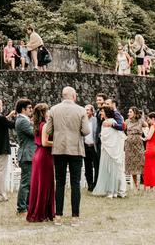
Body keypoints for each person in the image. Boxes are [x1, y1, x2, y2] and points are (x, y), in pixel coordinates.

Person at [44, 86, 90, 227]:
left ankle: (58, 216)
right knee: (75, 183)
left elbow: (49, 130)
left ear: (63, 95)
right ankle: (75, 217)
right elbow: (86, 131)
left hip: (59, 148)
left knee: (60, 182)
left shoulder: (54, 109)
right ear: (74, 96)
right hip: (75, 149)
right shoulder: (81, 110)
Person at [26, 103, 54, 222]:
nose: (49, 112)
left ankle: (38, 211)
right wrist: (58, 142)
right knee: (44, 183)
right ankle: (42, 212)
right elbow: (45, 142)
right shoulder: (45, 125)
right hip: (44, 155)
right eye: (48, 110)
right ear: (44, 113)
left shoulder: (37, 125)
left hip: (38, 154)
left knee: (38, 183)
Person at [91, 106, 126, 197]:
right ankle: (116, 191)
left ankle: (110, 191)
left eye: (102, 111)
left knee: (108, 170)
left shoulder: (106, 123)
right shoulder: (114, 122)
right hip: (115, 150)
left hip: (107, 150)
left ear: (106, 112)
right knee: (115, 170)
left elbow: (104, 137)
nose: (101, 113)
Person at [13, 99, 35, 216]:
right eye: (29, 108)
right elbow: (33, 133)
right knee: (26, 182)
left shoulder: (24, 120)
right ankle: (21, 208)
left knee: (29, 182)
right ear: (23, 109)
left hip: (29, 154)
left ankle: (27, 206)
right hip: (27, 155)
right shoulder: (22, 121)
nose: (31, 110)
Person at [125, 108, 145, 191]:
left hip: (138, 144)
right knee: (132, 164)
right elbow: (121, 129)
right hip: (129, 145)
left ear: (135, 113)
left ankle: (146, 184)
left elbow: (149, 127)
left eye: (130, 112)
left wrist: (145, 137)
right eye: (129, 112)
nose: (128, 113)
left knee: (142, 164)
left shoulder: (141, 121)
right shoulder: (127, 121)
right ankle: (136, 185)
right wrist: (124, 136)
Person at [143, 112, 155, 189]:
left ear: (153, 119)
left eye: (149, 120)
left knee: (149, 169)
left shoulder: (153, 127)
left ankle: (151, 186)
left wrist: (144, 132)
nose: (148, 122)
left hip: (150, 149)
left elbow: (148, 137)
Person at [82, 105, 97, 192]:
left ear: (92, 111)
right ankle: (90, 185)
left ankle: (96, 185)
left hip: (94, 146)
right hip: (85, 146)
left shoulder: (95, 120)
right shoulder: (82, 120)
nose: (86, 112)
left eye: (88, 110)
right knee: (87, 167)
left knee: (96, 166)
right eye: (85, 110)